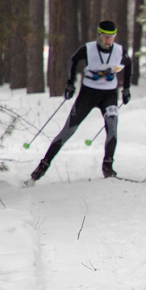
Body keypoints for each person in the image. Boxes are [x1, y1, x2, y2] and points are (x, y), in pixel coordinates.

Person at [30, 20, 132, 181]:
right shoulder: (89, 49)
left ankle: (108, 166)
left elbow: (129, 64)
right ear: (99, 35)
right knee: (68, 130)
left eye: (111, 37)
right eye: (105, 37)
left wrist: (126, 89)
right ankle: (43, 165)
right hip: (88, 94)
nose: (108, 40)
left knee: (112, 126)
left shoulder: (119, 50)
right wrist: (70, 83)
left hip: (109, 95)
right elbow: (73, 60)